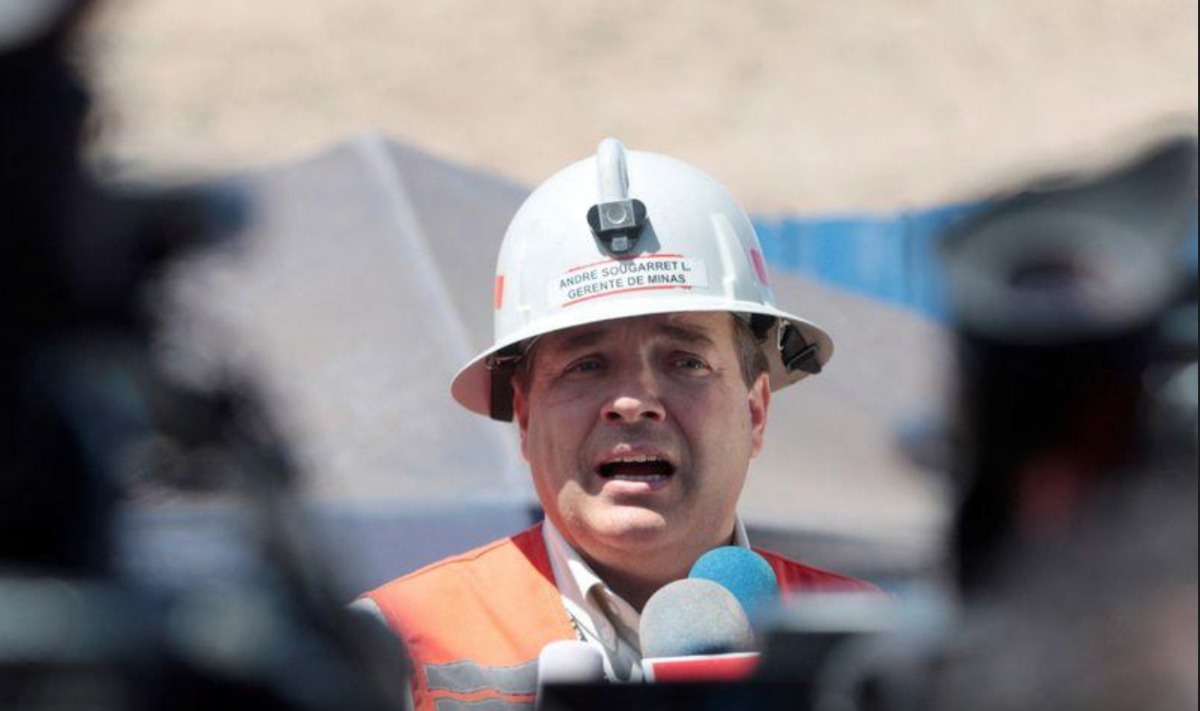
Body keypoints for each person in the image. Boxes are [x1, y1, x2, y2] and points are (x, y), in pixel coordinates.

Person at [355, 139, 879, 710]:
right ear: (525, 418)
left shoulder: (869, 643)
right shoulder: (392, 647)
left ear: (755, 410)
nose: (633, 403)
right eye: (586, 366)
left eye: (686, 362)